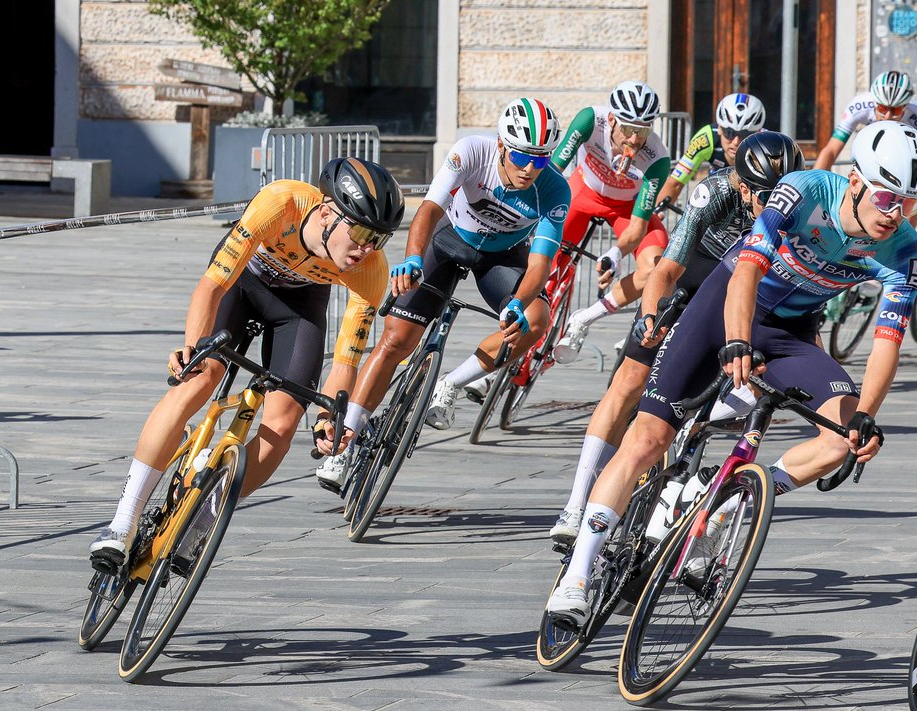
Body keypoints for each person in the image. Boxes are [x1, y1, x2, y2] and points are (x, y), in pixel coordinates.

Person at [546, 120, 917, 624]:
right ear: (857, 181)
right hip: (725, 306)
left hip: (791, 333)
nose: (898, 216)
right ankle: (577, 575)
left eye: (913, 204)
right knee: (647, 440)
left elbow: (888, 340)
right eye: (889, 199)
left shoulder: (905, 251)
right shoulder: (804, 191)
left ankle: (728, 499)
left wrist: (866, 415)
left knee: (842, 438)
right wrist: (736, 340)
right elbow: (747, 269)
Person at [90, 158, 403, 571]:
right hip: (241, 282)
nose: (367, 249)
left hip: (299, 308)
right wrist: (191, 349)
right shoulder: (281, 202)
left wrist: (330, 415)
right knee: (200, 379)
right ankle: (123, 522)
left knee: (284, 423)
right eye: (361, 232)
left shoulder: (370, 272)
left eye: (378, 240)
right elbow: (214, 284)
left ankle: (203, 521)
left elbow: (347, 357)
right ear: (327, 212)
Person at [549, 131, 806, 543]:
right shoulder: (714, 193)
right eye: (764, 195)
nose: (777, 206)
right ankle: (576, 503)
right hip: (695, 277)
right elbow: (665, 271)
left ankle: (686, 477)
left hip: (745, 295)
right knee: (629, 382)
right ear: (743, 188)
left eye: (784, 194)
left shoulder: (798, 208)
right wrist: (651, 317)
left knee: (742, 393)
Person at [313, 98, 570, 489]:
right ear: (502, 145)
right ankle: (344, 440)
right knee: (396, 341)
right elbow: (430, 210)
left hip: (501, 258)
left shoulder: (555, 189)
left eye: (541, 159)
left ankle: (451, 383)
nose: (530, 168)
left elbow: (540, 264)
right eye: (522, 156)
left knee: (537, 320)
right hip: (447, 243)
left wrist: (517, 303)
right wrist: (413, 258)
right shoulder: (470, 151)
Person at [548, 80, 673, 364]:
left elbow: (638, 225)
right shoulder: (591, 120)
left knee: (655, 267)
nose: (633, 140)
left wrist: (616, 254)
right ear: (613, 119)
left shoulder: (657, 159)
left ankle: (585, 317)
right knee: (547, 258)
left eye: (642, 132)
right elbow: (554, 170)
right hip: (582, 193)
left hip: (625, 208)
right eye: (628, 129)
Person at [814, 70, 917, 228]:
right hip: (873, 155)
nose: (888, 116)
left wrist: (911, 220)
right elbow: (831, 150)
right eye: (883, 108)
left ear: (906, 106)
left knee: (907, 216)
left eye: (896, 110)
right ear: (875, 102)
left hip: (902, 162)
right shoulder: (859, 106)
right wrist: (814, 182)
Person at [654, 93, 767, 207]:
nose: (736, 142)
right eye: (729, 133)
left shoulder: (767, 145)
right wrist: (655, 214)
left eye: (744, 134)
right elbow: (675, 183)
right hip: (719, 191)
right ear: (719, 129)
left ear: (757, 132)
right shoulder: (706, 138)